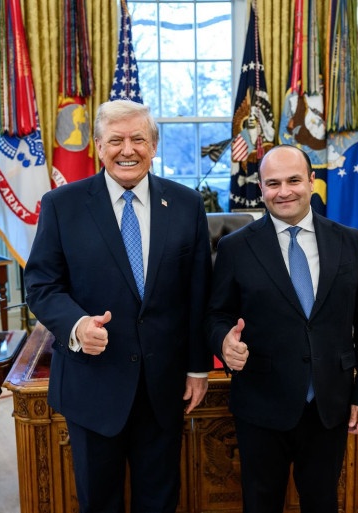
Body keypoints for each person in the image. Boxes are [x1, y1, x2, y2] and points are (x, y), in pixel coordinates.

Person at [24, 100, 213, 513]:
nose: (128, 150)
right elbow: (40, 285)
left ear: (154, 146)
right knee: (99, 501)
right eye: (116, 140)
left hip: (164, 387)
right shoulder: (62, 205)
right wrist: (77, 326)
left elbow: (199, 291)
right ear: (98, 146)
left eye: (138, 139)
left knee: (160, 500)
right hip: (93, 382)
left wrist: (198, 368)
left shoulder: (186, 204)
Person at [206, 145, 358, 513]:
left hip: (329, 404)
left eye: (293, 180)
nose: (284, 191)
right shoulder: (235, 248)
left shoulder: (349, 242)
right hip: (261, 404)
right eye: (273, 183)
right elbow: (215, 316)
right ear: (260, 188)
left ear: (312, 181)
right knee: (261, 504)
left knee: (322, 503)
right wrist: (223, 341)